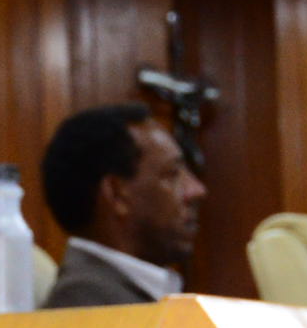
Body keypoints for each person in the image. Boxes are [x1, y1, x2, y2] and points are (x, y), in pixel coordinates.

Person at [39, 102, 206, 307]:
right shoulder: (88, 306)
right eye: (172, 174)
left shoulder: (117, 296)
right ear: (117, 194)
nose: (197, 190)